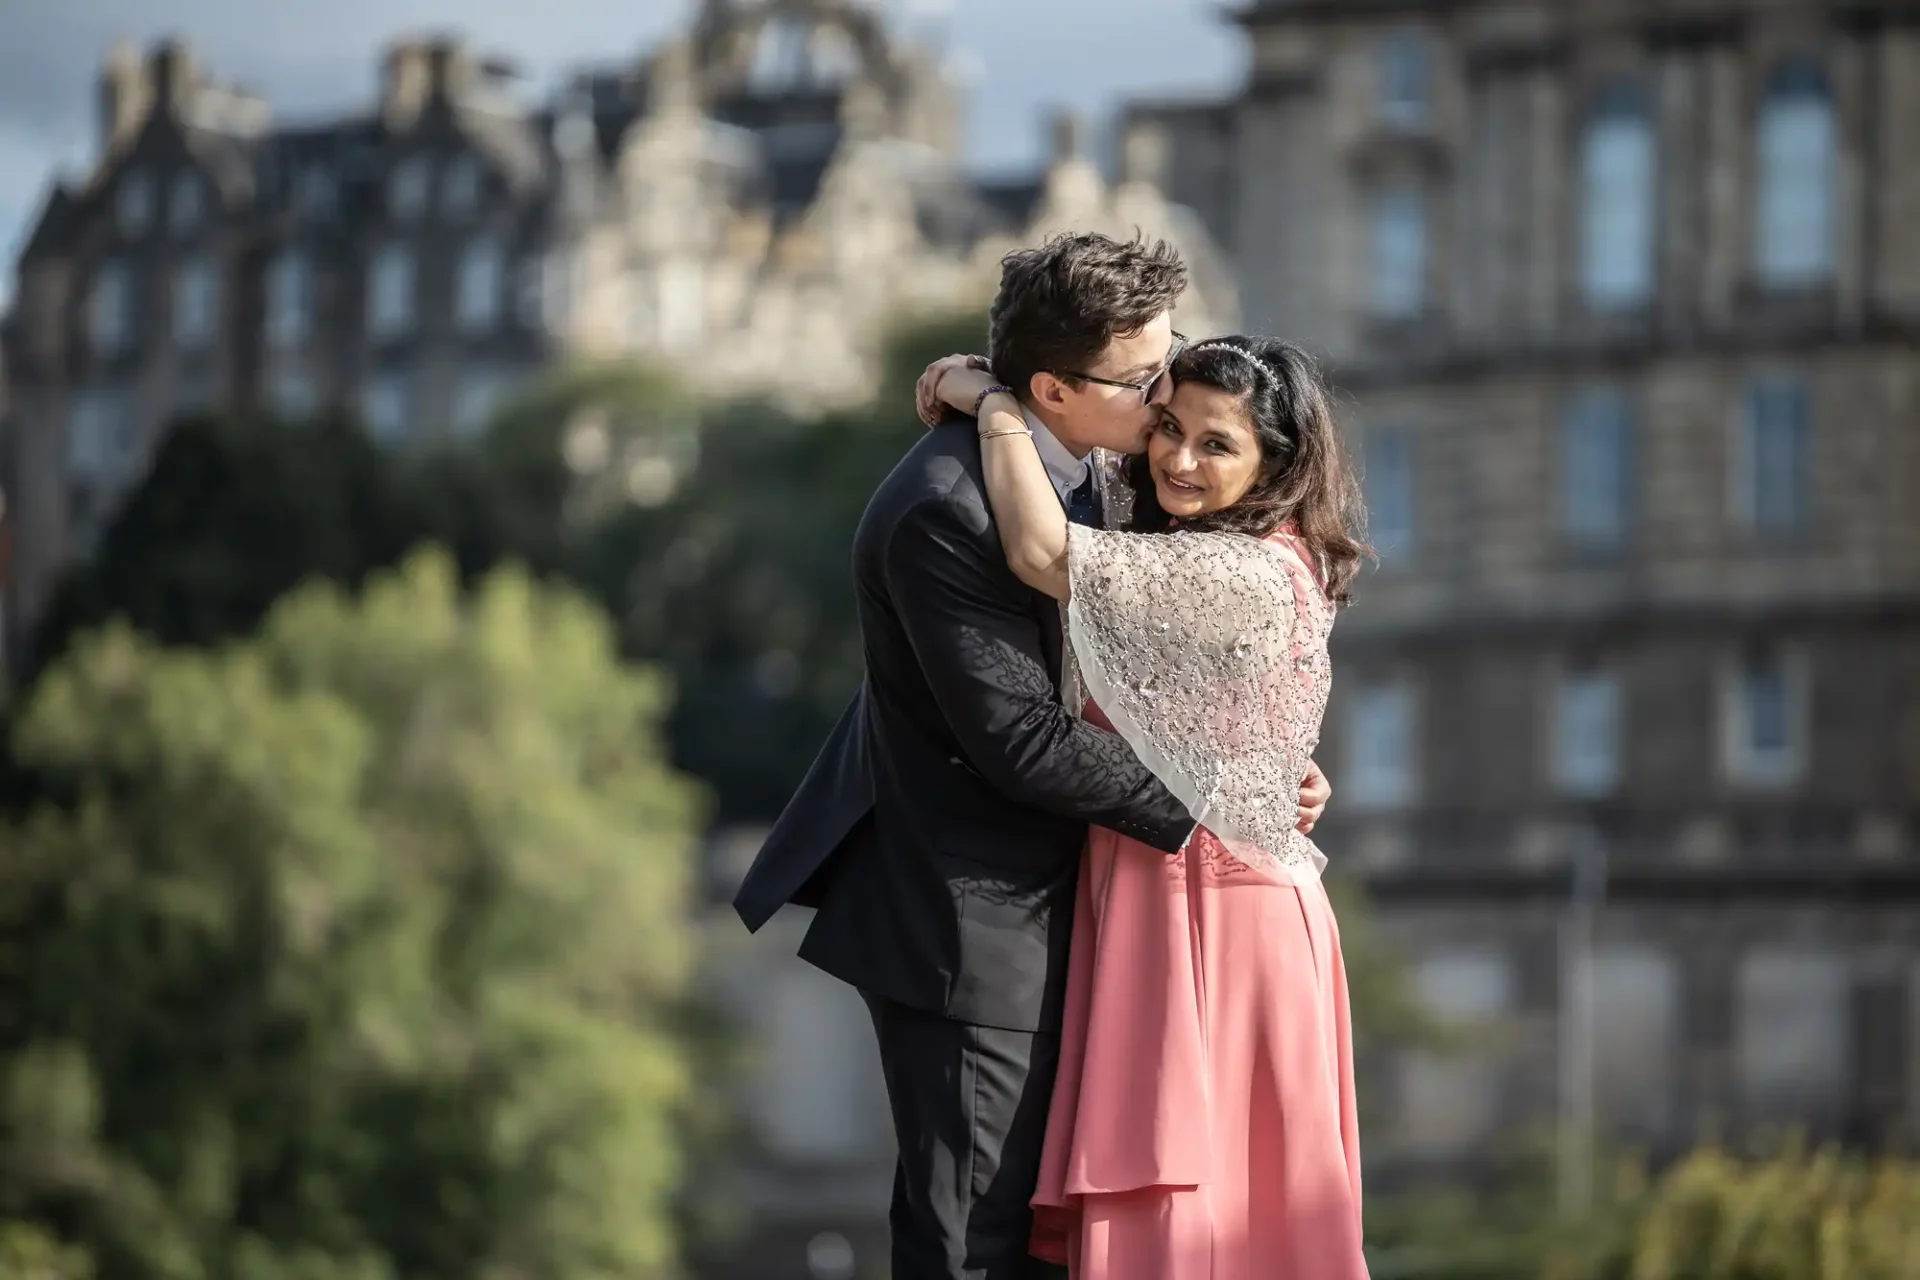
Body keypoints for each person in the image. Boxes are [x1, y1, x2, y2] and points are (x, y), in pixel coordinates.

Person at [731, 232, 1332, 1280]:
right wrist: (1224, 794)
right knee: (976, 1235)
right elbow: (1019, 738)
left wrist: (1257, 757)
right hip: (973, 914)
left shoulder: (1104, 461)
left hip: (1094, 899)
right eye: (1147, 379)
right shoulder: (943, 508)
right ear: (1058, 389)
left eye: (1170, 354)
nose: (1167, 401)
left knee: (1068, 1232)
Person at [915, 332, 1373, 1279]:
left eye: (1217, 445)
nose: (1177, 458)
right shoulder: (1197, 535)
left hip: (1214, 914)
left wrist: (997, 408)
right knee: (1184, 1212)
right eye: (1167, 426)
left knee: (1210, 1216)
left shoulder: (1239, 571)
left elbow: (1042, 548)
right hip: (1167, 892)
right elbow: (1087, 421)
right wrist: (996, 385)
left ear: (1274, 465)